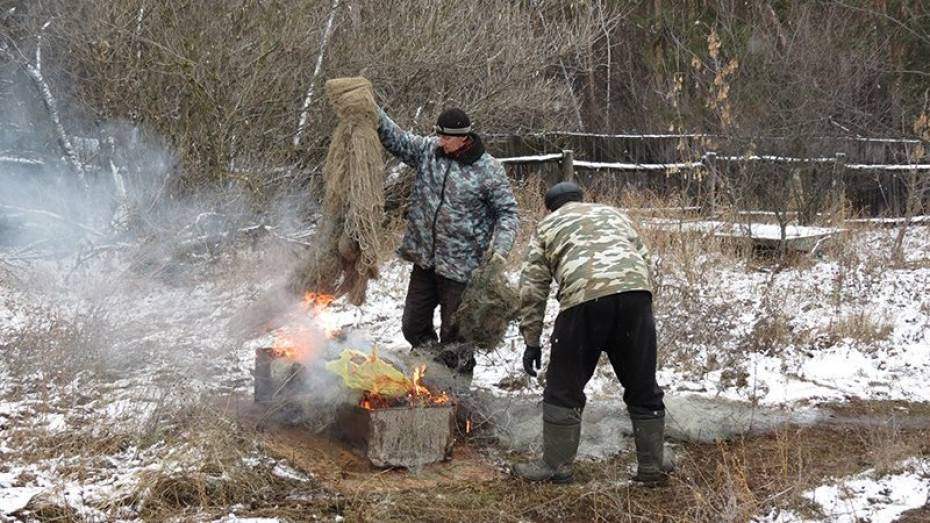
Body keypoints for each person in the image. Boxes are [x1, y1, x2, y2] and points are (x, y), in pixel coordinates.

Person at [512, 181, 668, 484]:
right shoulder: (614, 215)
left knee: (563, 386)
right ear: (581, 199)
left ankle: (556, 467)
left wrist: (531, 341)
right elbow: (645, 261)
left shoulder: (547, 226)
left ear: (549, 207)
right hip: (636, 295)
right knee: (642, 386)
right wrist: (638, 307)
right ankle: (651, 469)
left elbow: (532, 288)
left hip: (584, 300)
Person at [376, 106, 519, 379]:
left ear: (463, 138)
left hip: (462, 267)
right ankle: (433, 369)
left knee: (456, 338)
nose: (440, 141)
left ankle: (459, 393)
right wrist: (373, 111)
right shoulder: (429, 152)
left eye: (446, 138)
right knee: (412, 324)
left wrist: (500, 251)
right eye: (438, 135)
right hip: (425, 259)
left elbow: (508, 213)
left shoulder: (488, 170)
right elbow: (398, 139)